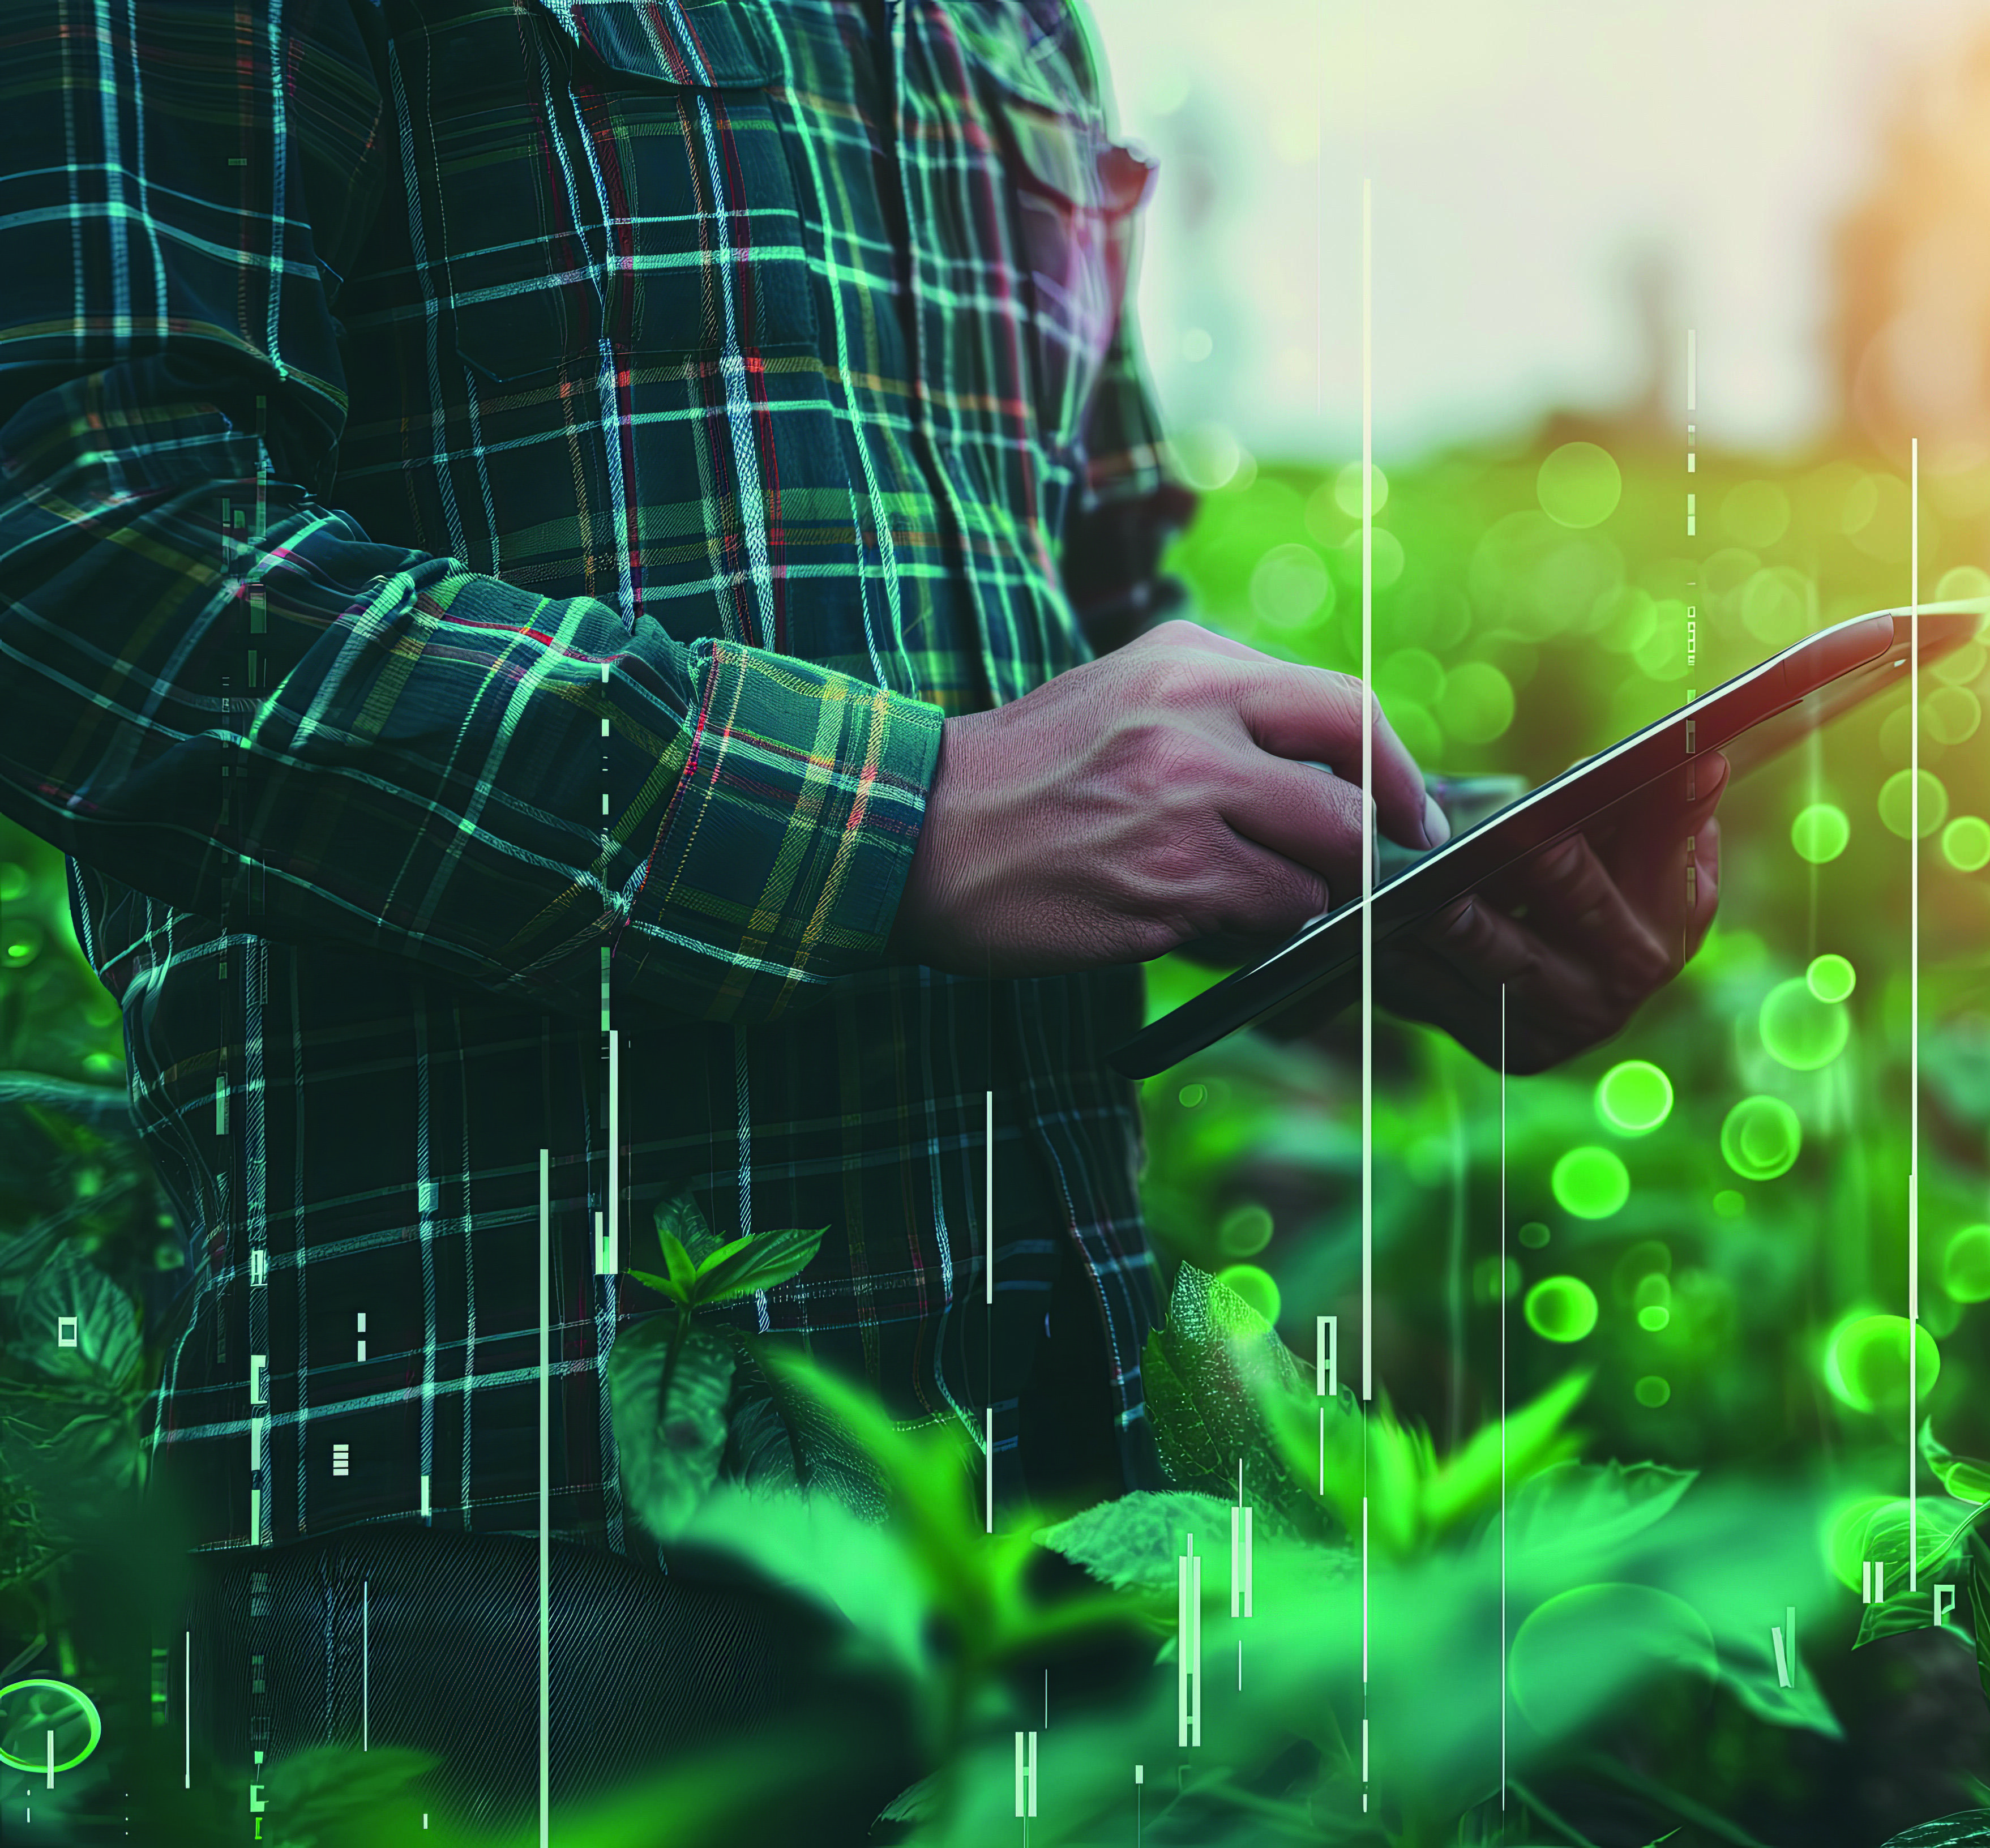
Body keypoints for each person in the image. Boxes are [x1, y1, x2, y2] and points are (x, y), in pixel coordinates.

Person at [0, 0, 1722, 1834]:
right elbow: (81, 547)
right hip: (505, 1565)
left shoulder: (1016, 24)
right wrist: (912, 812)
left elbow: (1103, 641)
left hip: (1063, 1546)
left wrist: (1396, 875)